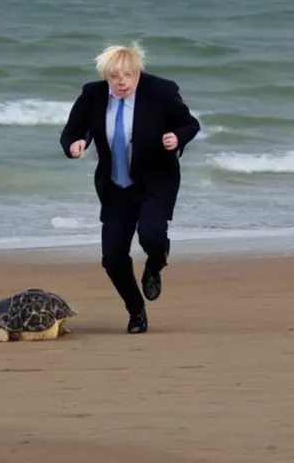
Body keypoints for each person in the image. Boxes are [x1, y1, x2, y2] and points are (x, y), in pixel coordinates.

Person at [59, 42, 200, 334]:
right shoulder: (92, 94)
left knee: (152, 236)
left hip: (154, 181)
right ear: (106, 75)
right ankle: (136, 312)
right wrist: (75, 144)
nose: (121, 82)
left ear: (137, 73)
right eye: (114, 76)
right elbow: (73, 130)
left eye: (127, 75)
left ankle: (156, 262)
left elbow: (190, 124)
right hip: (115, 187)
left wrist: (177, 137)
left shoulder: (160, 91)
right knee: (112, 258)